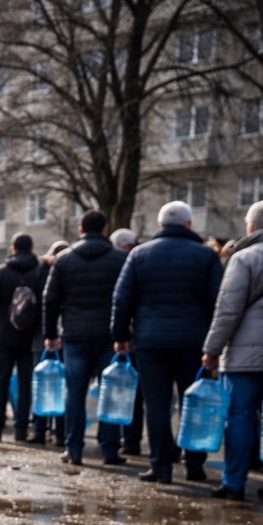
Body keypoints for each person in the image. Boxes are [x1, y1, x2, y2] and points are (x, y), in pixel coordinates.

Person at [111, 200, 223, 483]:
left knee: (157, 404)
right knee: (193, 402)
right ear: (189, 224)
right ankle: (194, 465)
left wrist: (120, 335)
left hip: (151, 341)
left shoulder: (139, 254)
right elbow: (218, 301)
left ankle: (161, 466)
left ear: (160, 224)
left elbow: (122, 299)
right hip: (194, 341)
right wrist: (216, 342)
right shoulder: (206, 255)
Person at [201, 199, 263, 501]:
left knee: (240, 416)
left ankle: (234, 482)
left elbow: (228, 310)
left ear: (253, 226)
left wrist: (212, 349)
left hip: (244, 354)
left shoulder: (243, 258)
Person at [44, 210, 129, 466]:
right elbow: (125, 298)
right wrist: (123, 334)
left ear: (80, 230)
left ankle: (74, 448)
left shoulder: (63, 260)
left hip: (74, 334)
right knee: (109, 391)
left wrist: (51, 334)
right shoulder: (119, 258)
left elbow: (51, 299)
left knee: (75, 392)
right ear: (105, 230)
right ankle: (110, 449)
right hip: (107, 335)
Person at [0, 233, 41, 442]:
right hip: (30, 335)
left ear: (12, 248)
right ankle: (21, 429)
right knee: (25, 383)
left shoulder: (0, 272)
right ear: (31, 249)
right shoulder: (40, 271)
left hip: (4, 335)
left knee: (0, 381)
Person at [30, 241, 70, 446]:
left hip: (42, 336)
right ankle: (60, 433)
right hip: (65, 335)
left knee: (42, 385)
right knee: (61, 387)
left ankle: (39, 430)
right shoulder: (70, 268)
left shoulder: (40, 272)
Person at [109, 228, 144, 457]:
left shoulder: (134, 261)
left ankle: (130, 441)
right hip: (184, 337)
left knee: (132, 393)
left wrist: (120, 336)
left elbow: (122, 302)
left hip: (139, 336)